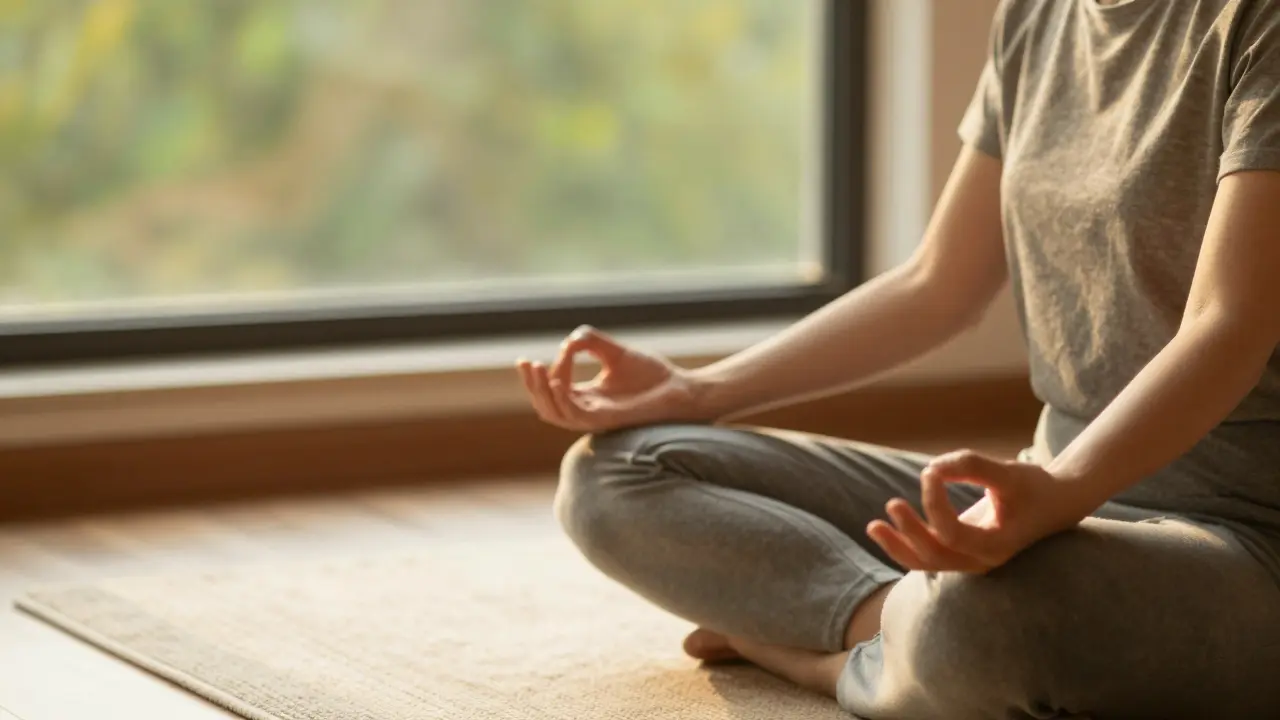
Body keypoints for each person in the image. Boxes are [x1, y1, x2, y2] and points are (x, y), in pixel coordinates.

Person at [516, 1, 1280, 717]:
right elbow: (936, 285)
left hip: (1243, 537)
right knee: (613, 474)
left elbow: (1228, 325)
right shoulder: (1038, 15)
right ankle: (889, 627)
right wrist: (698, 389)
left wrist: (1062, 488)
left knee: (978, 620)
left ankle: (825, 657)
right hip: (1043, 503)